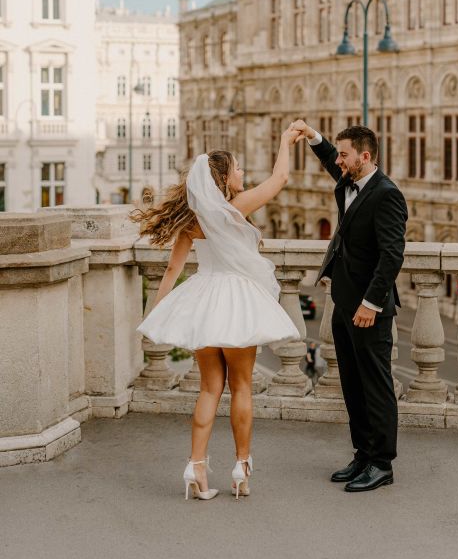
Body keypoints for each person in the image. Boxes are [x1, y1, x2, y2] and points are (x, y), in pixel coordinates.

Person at [131, 125, 301, 501]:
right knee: (241, 387)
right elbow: (281, 178)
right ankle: (241, 468)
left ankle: (196, 468)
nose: (243, 175)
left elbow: (173, 271)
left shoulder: (191, 220)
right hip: (237, 300)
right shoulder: (235, 208)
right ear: (224, 178)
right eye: (238, 169)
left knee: (209, 388)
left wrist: (156, 314)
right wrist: (286, 141)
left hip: (203, 300)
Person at [292, 120, 407, 494]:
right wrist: (314, 138)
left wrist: (371, 303)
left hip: (368, 307)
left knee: (376, 385)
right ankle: (362, 454)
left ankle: (382, 462)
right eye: (339, 154)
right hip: (344, 300)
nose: (338, 161)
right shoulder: (349, 182)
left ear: (365, 156)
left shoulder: (387, 194)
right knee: (352, 385)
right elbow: (330, 160)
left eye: (345, 155)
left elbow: (391, 255)